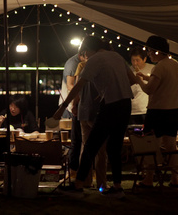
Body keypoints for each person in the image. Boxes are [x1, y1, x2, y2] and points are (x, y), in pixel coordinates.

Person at [54, 36, 135, 199]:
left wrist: (62, 107)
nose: (85, 55)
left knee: (90, 146)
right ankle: (117, 188)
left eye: (85, 52)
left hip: (110, 105)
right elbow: (132, 80)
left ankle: (78, 186)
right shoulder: (117, 56)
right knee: (114, 147)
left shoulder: (95, 59)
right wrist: (111, 87)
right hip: (126, 105)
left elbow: (78, 86)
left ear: (90, 49)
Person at [135, 35, 178, 188]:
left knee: (150, 145)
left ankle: (149, 178)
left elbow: (149, 90)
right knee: (171, 146)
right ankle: (175, 179)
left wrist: (138, 80)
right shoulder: (174, 64)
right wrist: (147, 77)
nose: (148, 54)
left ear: (156, 51)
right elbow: (164, 81)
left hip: (157, 111)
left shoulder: (159, 66)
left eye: (149, 51)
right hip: (173, 111)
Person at [73, 49, 107, 191]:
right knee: (100, 150)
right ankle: (101, 183)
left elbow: (77, 89)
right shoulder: (99, 67)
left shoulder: (81, 66)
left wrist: (74, 105)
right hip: (95, 112)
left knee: (85, 148)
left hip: (82, 111)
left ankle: (85, 181)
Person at [59, 53, 83, 180]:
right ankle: (71, 171)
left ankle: (79, 172)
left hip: (77, 105)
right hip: (71, 106)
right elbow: (70, 86)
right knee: (74, 141)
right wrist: (74, 104)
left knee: (78, 141)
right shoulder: (74, 63)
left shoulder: (82, 64)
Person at [129, 46, 155, 125]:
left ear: (144, 59)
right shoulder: (129, 71)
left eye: (137, 60)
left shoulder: (152, 69)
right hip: (132, 109)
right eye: (133, 60)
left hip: (146, 109)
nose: (135, 63)